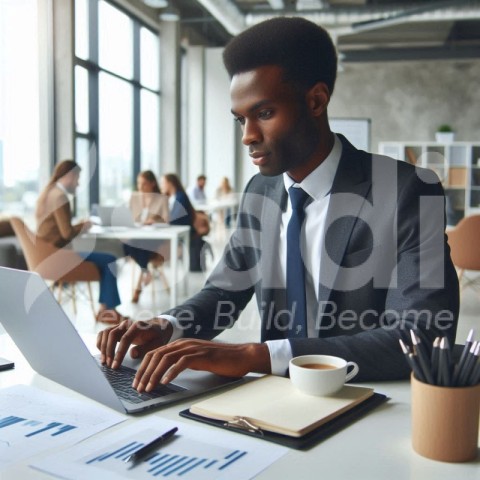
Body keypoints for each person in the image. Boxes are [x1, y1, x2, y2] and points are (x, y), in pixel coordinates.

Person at [97, 17, 459, 392]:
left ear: (316, 100)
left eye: (264, 114)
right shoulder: (259, 192)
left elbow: (423, 333)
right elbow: (224, 291)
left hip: (362, 397)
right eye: (240, 120)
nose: (248, 136)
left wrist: (258, 356)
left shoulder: (407, 191)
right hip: (271, 401)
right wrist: (166, 325)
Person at [36, 160, 126, 324]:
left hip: (47, 253)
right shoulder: (60, 197)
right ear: (70, 176)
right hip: (59, 255)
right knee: (110, 258)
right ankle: (108, 311)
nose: (78, 183)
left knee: (104, 256)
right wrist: (84, 226)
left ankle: (107, 310)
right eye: (77, 178)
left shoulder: (48, 193)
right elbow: (67, 233)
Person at [123, 170, 169, 303]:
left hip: (155, 238)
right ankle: (145, 271)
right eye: (139, 184)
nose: (140, 187)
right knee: (125, 244)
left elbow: (166, 220)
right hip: (137, 235)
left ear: (153, 184)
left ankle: (140, 285)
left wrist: (155, 220)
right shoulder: (134, 197)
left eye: (144, 184)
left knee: (141, 245)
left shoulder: (162, 199)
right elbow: (128, 217)